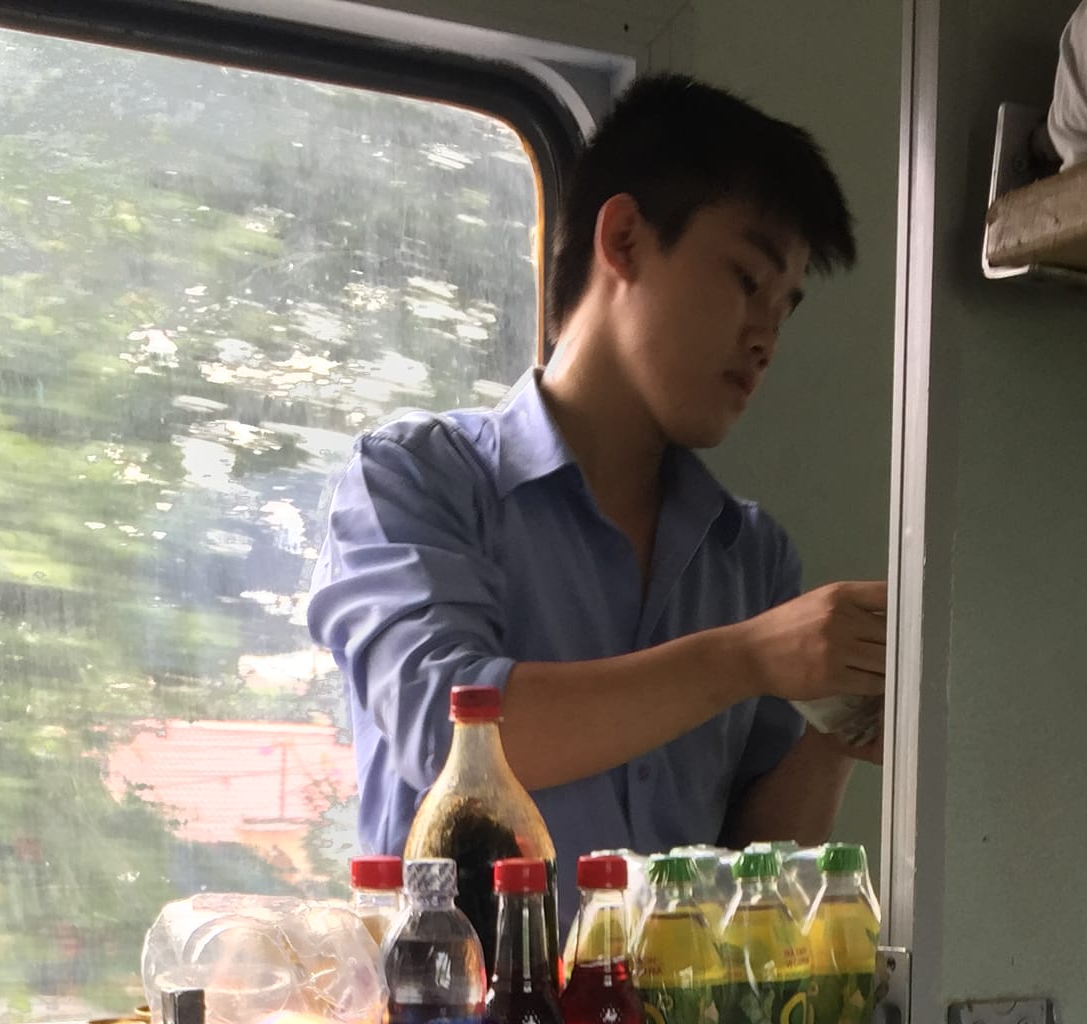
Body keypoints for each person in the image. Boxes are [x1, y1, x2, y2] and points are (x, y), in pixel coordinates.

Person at [306, 72, 887, 911]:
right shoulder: (415, 482)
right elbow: (451, 737)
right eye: (746, 282)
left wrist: (837, 731)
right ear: (623, 241)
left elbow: (747, 880)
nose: (765, 338)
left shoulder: (748, 556)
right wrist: (745, 657)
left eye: (785, 308)